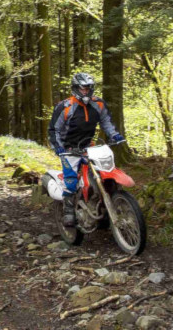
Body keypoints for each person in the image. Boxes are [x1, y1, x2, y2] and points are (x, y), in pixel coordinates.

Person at [47, 73, 125, 227]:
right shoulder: (65, 106)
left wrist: (115, 135)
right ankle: (68, 210)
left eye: (88, 88)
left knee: (102, 174)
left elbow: (106, 122)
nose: (85, 91)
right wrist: (58, 147)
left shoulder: (99, 104)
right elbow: (53, 129)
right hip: (68, 148)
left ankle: (105, 207)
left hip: (89, 146)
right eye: (82, 89)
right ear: (75, 88)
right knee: (71, 180)